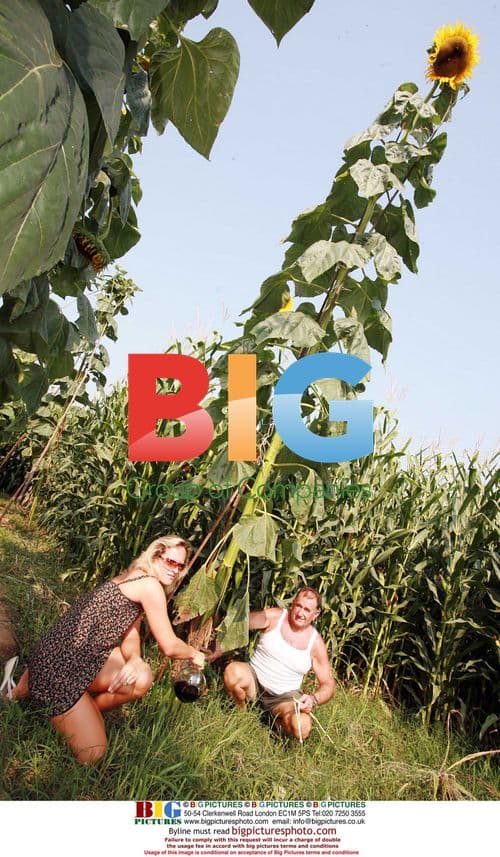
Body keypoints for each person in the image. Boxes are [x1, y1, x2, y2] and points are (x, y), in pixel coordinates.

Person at [2, 535, 205, 764]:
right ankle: (56, 704)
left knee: (141, 675)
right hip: (60, 671)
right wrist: (194, 653)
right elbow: (169, 645)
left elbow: (131, 634)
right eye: (170, 562)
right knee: (94, 753)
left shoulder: (135, 575)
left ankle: (60, 702)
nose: (175, 570)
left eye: (180, 565)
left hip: (55, 656)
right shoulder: (150, 586)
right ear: (156, 555)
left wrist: (135, 659)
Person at [219, 587, 335, 742]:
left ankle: (274, 724)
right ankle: (241, 717)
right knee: (233, 672)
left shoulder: (316, 643)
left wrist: (313, 699)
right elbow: (242, 622)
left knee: (302, 727)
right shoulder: (276, 617)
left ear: (315, 615)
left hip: (284, 699)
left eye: (307, 610)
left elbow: (328, 684)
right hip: (254, 682)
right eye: (299, 606)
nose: (300, 613)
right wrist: (217, 645)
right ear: (293, 604)